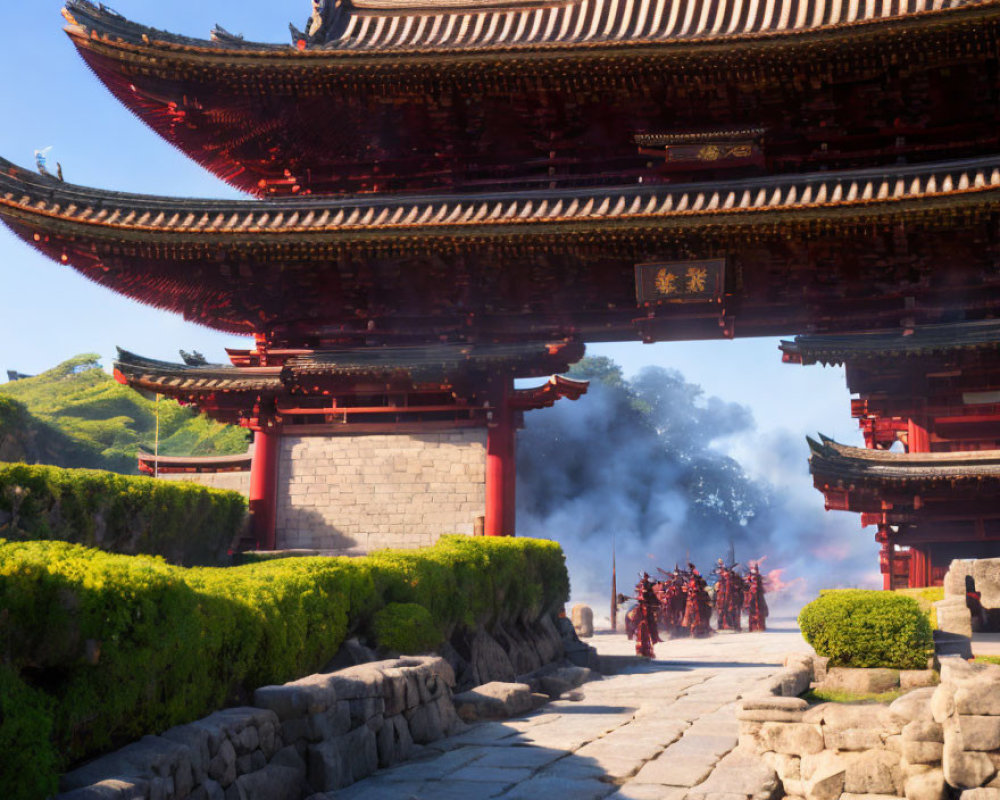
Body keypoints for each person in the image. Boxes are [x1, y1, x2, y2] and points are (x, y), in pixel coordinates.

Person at [682, 563, 713, 637]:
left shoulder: (699, 579)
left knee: (707, 605)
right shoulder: (688, 580)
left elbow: (703, 586)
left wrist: (698, 588)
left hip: (699, 596)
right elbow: (687, 588)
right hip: (691, 597)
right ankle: (688, 625)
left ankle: (705, 624)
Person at [745, 562, 769, 632]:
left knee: (762, 602)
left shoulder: (759, 576)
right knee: (750, 602)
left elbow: (761, 582)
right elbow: (748, 581)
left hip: (758, 591)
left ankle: (764, 613)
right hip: (752, 591)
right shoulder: (751, 575)